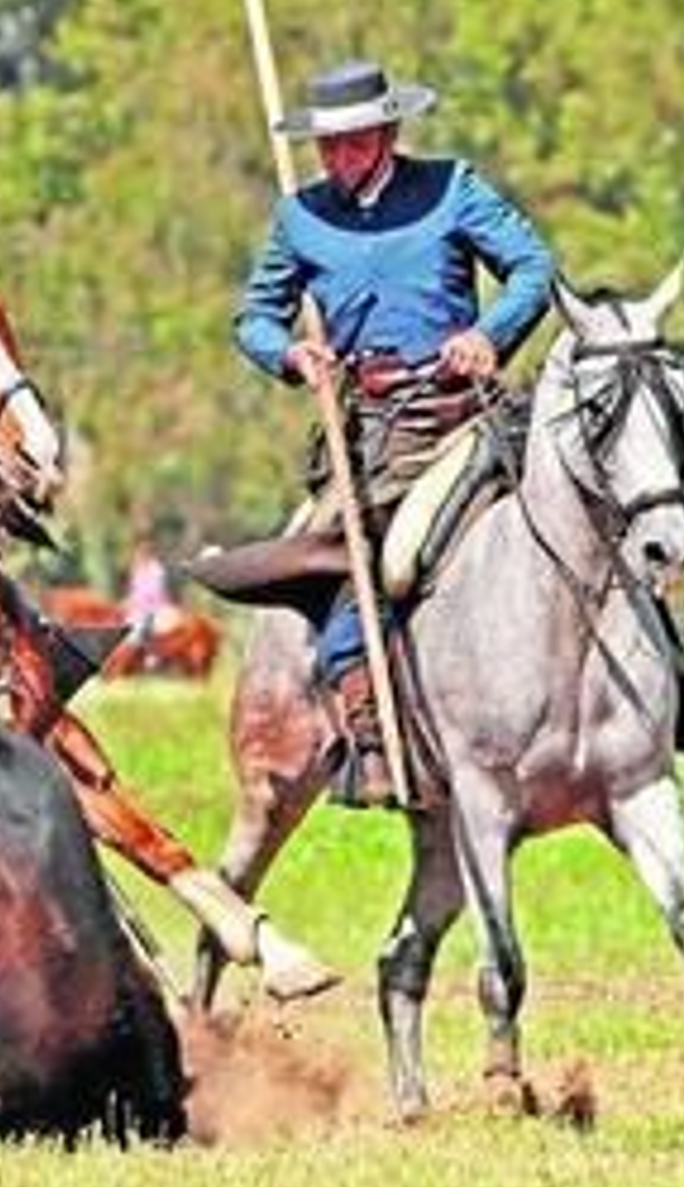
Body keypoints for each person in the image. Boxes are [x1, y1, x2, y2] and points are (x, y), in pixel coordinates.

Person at [235, 58, 555, 808]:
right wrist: (290, 352)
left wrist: (488, 333)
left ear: (388, 131)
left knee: (602, 509)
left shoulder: (452, 189)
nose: (339, 158)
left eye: (353, 142)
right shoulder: (300, 217)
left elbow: (533, 268)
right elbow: (253, 316)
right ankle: (369, 730)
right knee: (361, 568)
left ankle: (669, 688)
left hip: (465, 416)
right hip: (376, 437)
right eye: (328, 145)